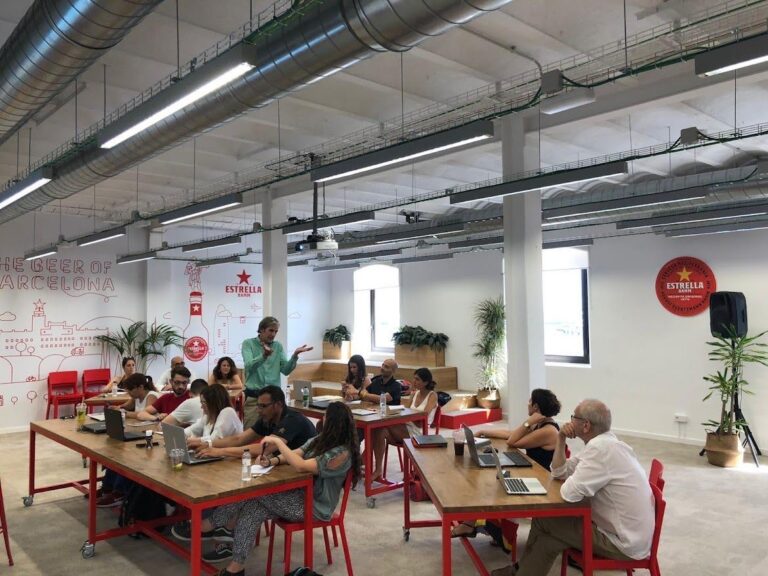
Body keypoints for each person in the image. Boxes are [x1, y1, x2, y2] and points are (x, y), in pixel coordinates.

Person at [490, 399, 655, 576]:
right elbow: (559, 472)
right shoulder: (606, 443)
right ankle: (520, 570)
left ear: (586, 425)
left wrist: (575, 477)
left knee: (544, 519)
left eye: (573, 417)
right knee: (549, 540)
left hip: (622, 543)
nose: (569, 422)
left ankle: (518, 570)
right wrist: (560, 438)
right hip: (627, 535)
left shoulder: (601, 450)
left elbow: (569, 494)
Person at [199, 401, 360, 575]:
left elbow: (301, 465)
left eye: (326, 416)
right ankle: (236, 568)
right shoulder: (320, 440)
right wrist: (272, 461)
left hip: (315, 508)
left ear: (334, 422)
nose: (323, 419)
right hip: (300, 496)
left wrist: (278, 442)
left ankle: (211, 523)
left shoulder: (342, 454)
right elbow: (297, 453)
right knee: (253, 507)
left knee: (253, 491)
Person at [453, 388, 562, 539]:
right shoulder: (540, 424)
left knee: (490, 484)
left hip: (540, 480)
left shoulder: (548, 431)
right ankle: (474, 524)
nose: (527, 403)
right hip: (530, 471)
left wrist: (527, 422)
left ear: (536, 406)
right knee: (491, 476)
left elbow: (513, 441)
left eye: (530, 401)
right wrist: (484, 432)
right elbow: (512, 434)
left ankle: (488, 530)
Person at [190, 385, 316, 455]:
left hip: (306, 475)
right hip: (285, 466)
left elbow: (263, 449)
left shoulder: (292, 420)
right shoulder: (267, 418)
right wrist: (207, 444)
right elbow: (239, 439)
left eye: (263, 406)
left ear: (278, 405)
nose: (258, 411)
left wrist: (220, 451)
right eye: (258, 406)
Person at [97, 372, 159, 507]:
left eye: (130, 390)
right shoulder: (136, 397)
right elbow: (125, 407)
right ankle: (108, 487)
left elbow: (143, 414)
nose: (129, 393)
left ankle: (119, 492)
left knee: (125, 458)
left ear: (140, 387)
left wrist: (125, 413)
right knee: (115, 454)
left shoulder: (152, 396)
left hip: (148, 437)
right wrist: (116, 409)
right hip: (137, 433)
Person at [241, 316, 313, 428]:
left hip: (274, 401)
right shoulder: (248, 344)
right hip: (255, 400)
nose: (273, 334)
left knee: (275, 433)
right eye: (271, 330)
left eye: (276, 331)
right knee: (250, 432)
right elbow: (249, 366)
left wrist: (294, 356)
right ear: (261, 330)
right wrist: (263, 356)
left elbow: (285, 370)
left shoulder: (277, 346)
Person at [370, 367, 437, 480]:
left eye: (417, 379)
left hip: (420, 432)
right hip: (406, 426)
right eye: (414, 378)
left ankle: (361, 461)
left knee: (383, 424)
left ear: (426, 382)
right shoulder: (414, 394)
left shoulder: (432, 395)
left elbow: (423, 418)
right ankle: (378, 469)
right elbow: (406, 411)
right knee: (379, 430)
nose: (414, 381)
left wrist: (407, 416)